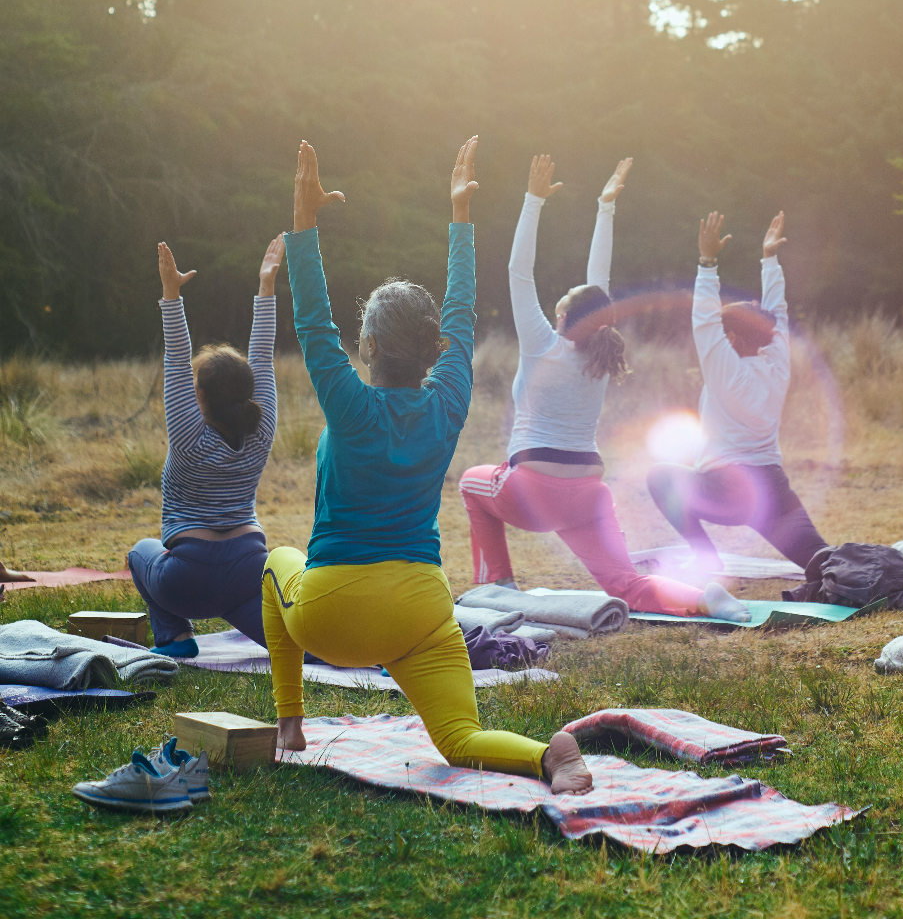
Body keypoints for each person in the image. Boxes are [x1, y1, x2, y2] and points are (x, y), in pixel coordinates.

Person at [264, 138, 591, 793]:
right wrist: (461, 220)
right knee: (459, 740)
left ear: (372, 346)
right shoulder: (447, 404)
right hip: (420, 609)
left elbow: (311, 320)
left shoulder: (350, 405)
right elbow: (463, 317)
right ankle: (547, 755)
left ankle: (289, 723)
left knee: (275, 557)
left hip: (334, 616)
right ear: (433, 347)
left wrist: (304, 223)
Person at [459, 155, 749, 622]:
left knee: (471, 483)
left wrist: (533, 200)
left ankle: (498, 585)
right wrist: (605, 208)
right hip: (589, 494)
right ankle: (706, 598)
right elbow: (601, 285)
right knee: (626, 583)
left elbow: (519, 271)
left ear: (560, 317)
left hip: (531, 491)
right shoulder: (599, 355)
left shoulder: (543, 345)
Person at [127, 234, 285, 656]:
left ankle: (175, 638)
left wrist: (171, 294)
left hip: (188, 580)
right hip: (250, 570)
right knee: (297, 644)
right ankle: (364, 651)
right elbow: (263, 355)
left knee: (139, 553)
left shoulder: (187, 436)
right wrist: (266, 287)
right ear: (249, 392)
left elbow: (177, 359)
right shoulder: (262, 427)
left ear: (198, 397)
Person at [647, 210, 826, 578]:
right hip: (772, 492)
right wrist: (770, 260)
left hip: (725, 492)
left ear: (731, 339)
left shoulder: (724, 371)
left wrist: (707, 262)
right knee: (825, 562)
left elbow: (704, 321)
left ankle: (705, 558)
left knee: (660, 477)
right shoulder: (777, 364)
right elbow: (777, 313)